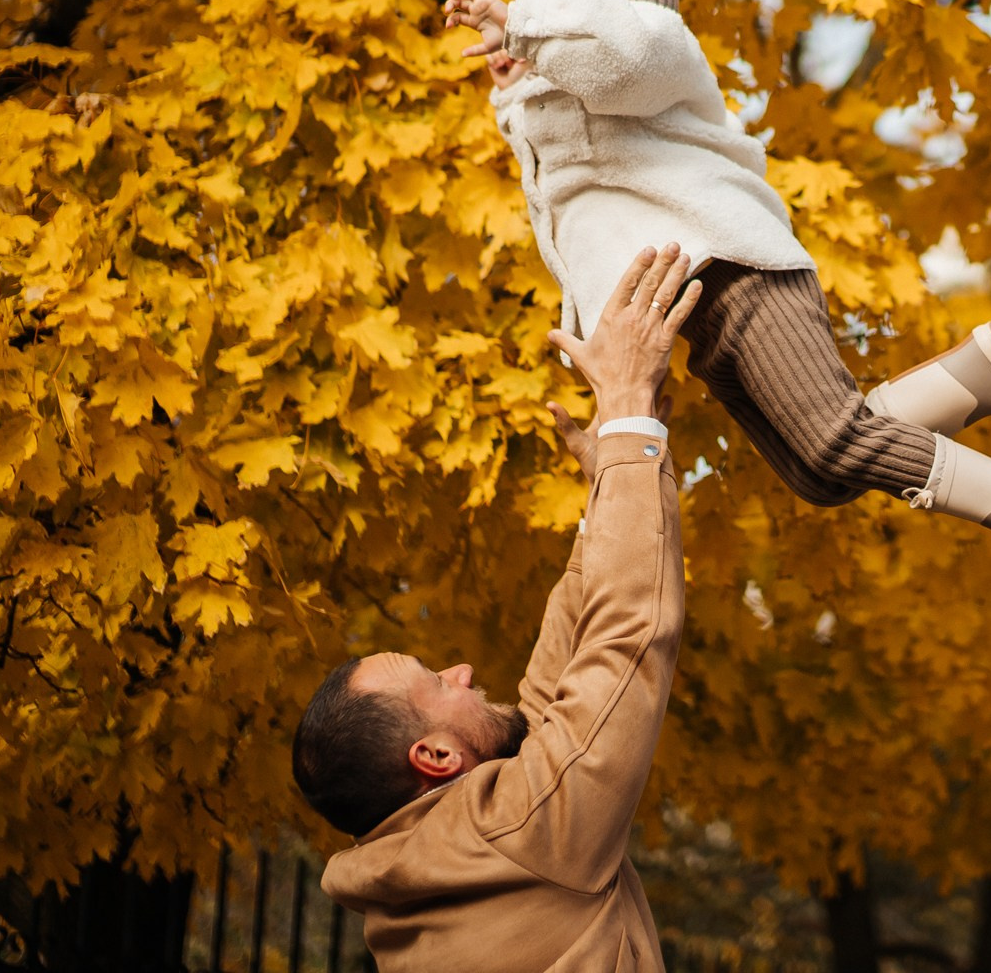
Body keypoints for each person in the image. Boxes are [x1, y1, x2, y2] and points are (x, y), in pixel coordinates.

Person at [442, 0, 991, 604]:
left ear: (590, 7)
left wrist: (523, 22)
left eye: (550, 10)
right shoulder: (558, 109)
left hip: (737, 269)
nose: (513, 37)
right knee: (820, 476)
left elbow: (617, 57)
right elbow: (574, 197)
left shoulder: (655, 45)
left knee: (835, 439)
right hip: (699, 313)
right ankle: (974, 375)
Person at [293, 245, 700, 972]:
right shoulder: (519, 832)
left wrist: (615, 483)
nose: (462, 669)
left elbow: (551, 712)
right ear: (436, 756)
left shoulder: (437, 863)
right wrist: (629, 411)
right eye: (437, 682)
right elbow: (624, 642)